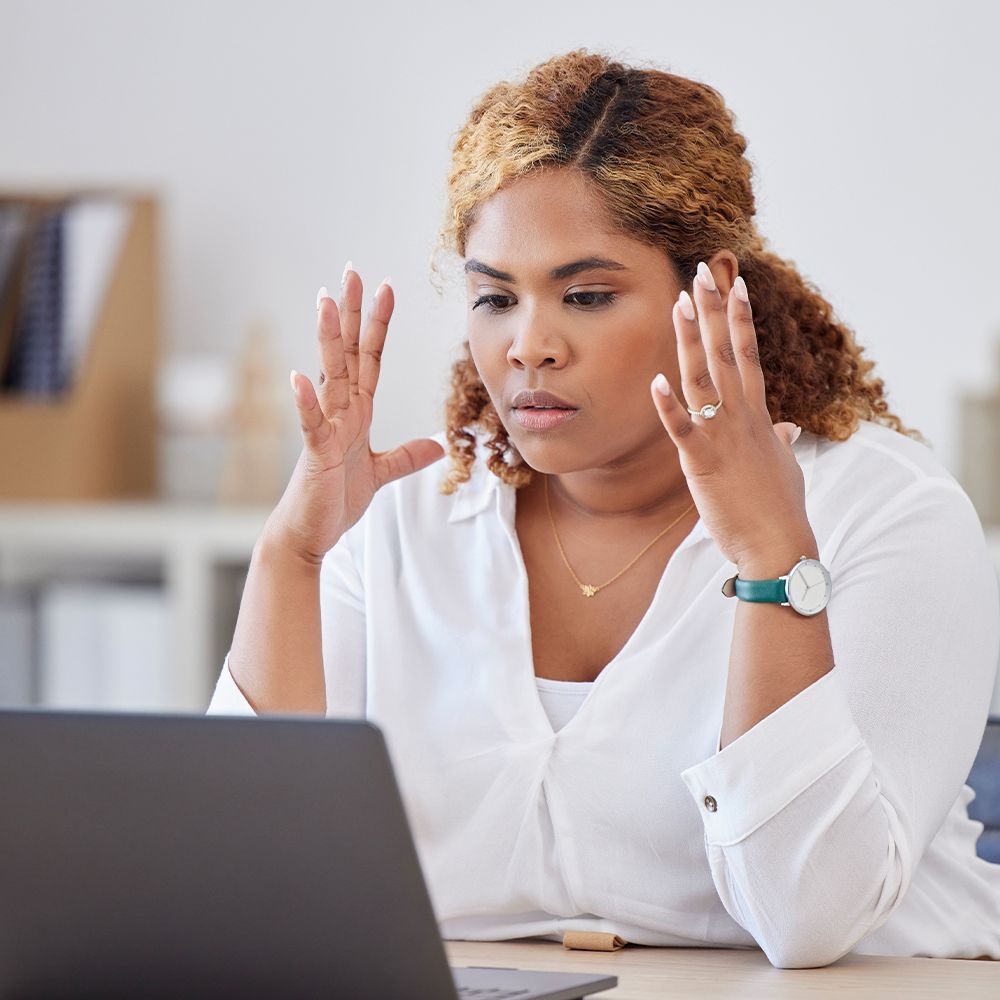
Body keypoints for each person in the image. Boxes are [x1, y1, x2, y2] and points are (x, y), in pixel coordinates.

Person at [207, 49, 1000, 968]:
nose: (529, 346)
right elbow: (254, 887)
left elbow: (808, 919)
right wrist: (292, 557)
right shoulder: (395, 519)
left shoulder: (883, 512)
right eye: (495, 297)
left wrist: (773, 557)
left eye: (586, 295)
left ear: (707, 294)